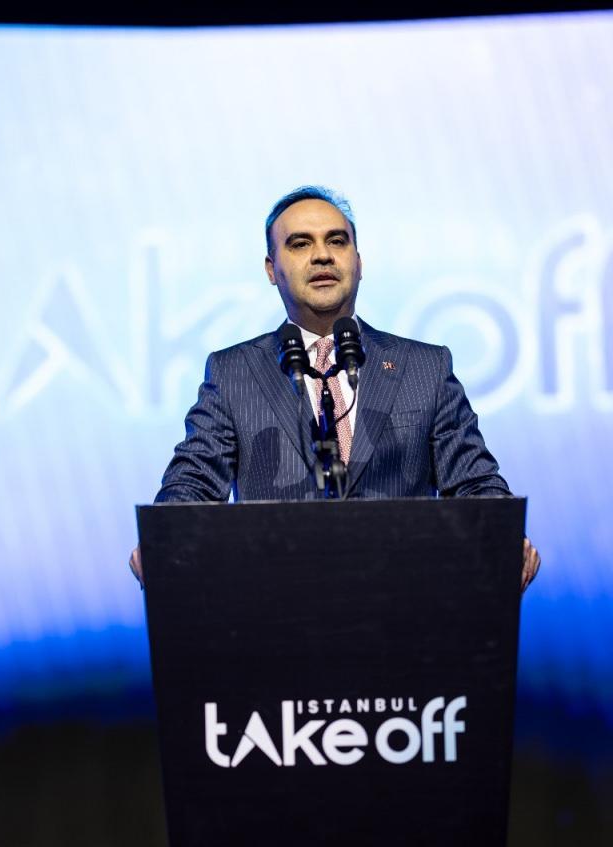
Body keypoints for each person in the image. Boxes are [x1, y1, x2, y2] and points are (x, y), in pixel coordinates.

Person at [130, 186, 539, 589]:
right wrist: (164, 538)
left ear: (358, 263)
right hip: (277, 604)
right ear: (271, 269)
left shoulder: (425, 368)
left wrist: (504, 535)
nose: (322, 255)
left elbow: (474, 482)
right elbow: (194, 481)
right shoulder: (232, 372)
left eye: (337, 241)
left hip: (404, 601)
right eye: (300, 244)